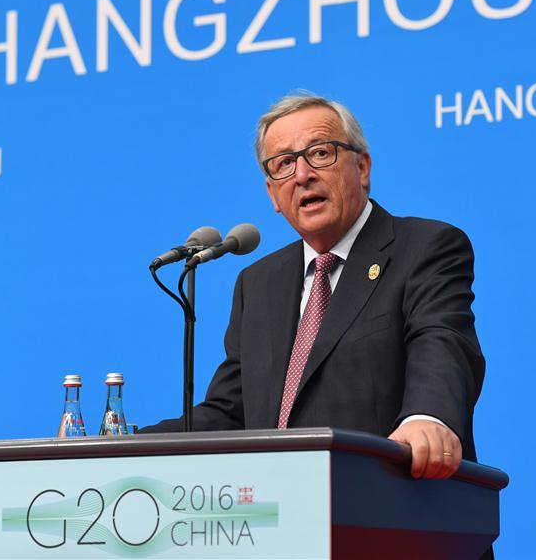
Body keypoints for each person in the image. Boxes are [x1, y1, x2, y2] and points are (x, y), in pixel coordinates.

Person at [145, 93, 485, 481]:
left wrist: (429, 418)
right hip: (281, 519)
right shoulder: (258, 283)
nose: (303, 174)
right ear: (272, 194)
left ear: (362, 167)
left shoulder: (424, 247)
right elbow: (230, 412)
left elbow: (441, 342)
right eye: (284, 164)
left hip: (390, 505)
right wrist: (124, 443)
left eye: (320, 153)